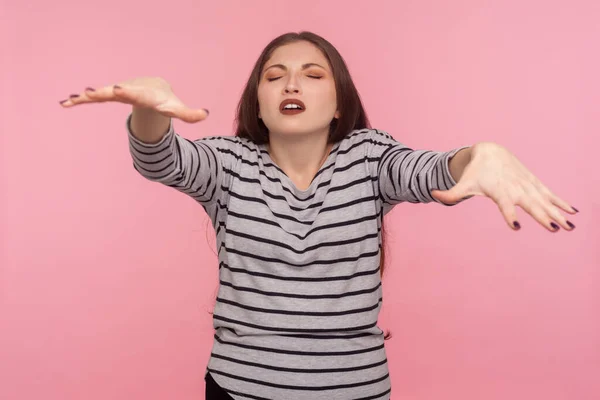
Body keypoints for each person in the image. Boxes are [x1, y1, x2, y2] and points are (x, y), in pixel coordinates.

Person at [60, 31, 578, 400]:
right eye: (274, 76)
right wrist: (150, 109)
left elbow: (433, 170)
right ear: (257, 103)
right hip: (239, 389)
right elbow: (161, 158)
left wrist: (480, 153)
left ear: (337, 103)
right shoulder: (229, 162)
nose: (291, 86)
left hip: (356, 391)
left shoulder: (371, 157)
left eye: (312, 75)